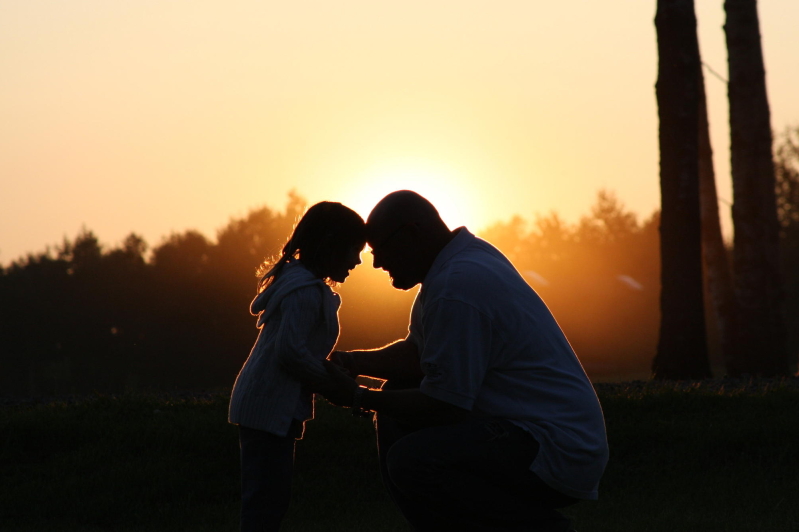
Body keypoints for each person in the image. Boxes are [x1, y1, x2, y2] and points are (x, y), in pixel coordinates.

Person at [320, 190, 609, 532]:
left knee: (412, 463)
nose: (377, 263)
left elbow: (446, 405)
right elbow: (419, 356)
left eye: (380, 248)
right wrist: (350, 363)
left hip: (552, 445)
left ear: (412, 233)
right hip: (540, 433)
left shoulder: (456, 286)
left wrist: (357, 398)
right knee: (398, 402)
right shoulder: (458, 263)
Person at [228, 201, 366, 532]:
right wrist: (333, 385)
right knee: (266, 502)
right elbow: (290, 353)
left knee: (269, 499)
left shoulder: (302, 286)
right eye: (354, 250)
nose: (358, 261)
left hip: (268, 407)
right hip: (267, 407)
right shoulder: (303, 293)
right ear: (330, 244)